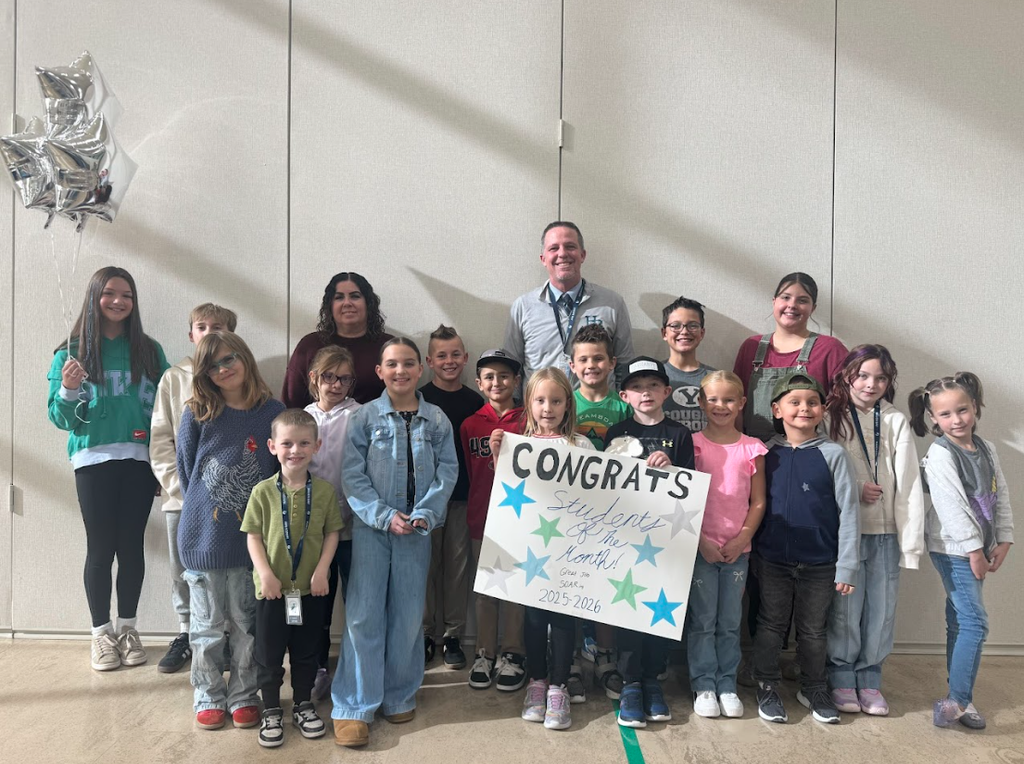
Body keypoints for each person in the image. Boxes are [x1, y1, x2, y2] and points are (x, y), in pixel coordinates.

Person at [332, 338, 458, 748]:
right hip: (373, 530)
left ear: (420, 368)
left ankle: (399, 693)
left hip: (417, 531)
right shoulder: (365, 418)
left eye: (408, 363)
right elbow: (352, 475)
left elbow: (447, 473)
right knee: (363, 615)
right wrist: (384, 516)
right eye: (391, 364)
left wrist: (424, 513)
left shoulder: (436, 420)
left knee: (407, 617)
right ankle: (354, 704)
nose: (400, 370)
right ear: (379, 372)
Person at [47, 266, 168, 672]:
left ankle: (128, 628)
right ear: (94, 296)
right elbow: (60, 418)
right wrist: (68, 386)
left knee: (131, 547)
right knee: (100, 548)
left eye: (127, 295)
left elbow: (165, 412)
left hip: (138, 460)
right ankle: (101, 634)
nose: (118, 301)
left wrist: (161, 464)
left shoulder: (150, 352)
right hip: (93, 460)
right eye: (110, 293)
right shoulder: (69, 353)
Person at [176, 332, 285, 731]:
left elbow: (277, 476)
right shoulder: (198, 412)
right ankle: (207, 694)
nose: (223, 369)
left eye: (229, 359)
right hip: (202, 538)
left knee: (246, 625)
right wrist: (206, 517)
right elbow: (188, 475)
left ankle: (243, 694)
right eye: (213, 365)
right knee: (205, 628)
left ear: (245, 358)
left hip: (251, 544)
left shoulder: (271, 411)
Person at [491, 367, 595, 731]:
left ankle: (559, 687)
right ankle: (536, 681)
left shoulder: (581, 446)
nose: (547, 407)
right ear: (529, 404)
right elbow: (507, 498)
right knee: (533, 620)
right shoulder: (516, 445)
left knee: (564, 621)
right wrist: (496, 456)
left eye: (555, 400)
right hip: (531, 551)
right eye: (540, 400)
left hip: (569, 553)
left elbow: (598, 499)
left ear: (569, 404)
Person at [752, 372, 859, 726]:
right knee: (770, 625)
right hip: (771, 560)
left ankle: (814, 687)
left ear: (823, 409)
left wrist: (847, 566)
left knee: (813, 631)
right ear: (777, 409)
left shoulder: (834, 455)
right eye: (794, 402)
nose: (804, 408)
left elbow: (849, 513)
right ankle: (767, 684)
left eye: (812, 402)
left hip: (820, 563)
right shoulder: (765, 452)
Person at [824, 346, 925, 716]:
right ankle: (841, 677)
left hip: (885, 532)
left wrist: (910, 543)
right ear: (847, 374)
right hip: (845, 532)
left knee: (881, 610)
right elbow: (821, 468)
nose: (871, 384)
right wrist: (853, 484)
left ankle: (870, 678)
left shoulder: (895, 419)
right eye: (864, 375)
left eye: (881, 378)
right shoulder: (828, 415)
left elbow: (910, 482)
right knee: (845, 611)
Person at [909, 373, 1013, 731]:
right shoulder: (939, 454)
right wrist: (973, 550)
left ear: (975, 408)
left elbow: (1001, 497)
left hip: (978, 547)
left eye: (962, 410)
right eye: (946, 414)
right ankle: (957, 700)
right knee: (975, 622)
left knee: (960, 621)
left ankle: (959, 696)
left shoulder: (986, 448)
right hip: (952, 548)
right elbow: (951, 506)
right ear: (933, 419)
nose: (956, 420)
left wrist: (1004, 538)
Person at [242, 409, 343, 747]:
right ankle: (271, 709)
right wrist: (265, 574)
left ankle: (303, 704)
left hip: (311, 592)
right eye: (287, 443)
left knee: (306, 653)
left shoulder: (326, 492)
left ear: (317, 445)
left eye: (303, 443)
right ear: (272, 446)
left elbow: (332, 534)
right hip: (271, 592)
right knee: (268, 654)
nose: (295, 450)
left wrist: (322, 570)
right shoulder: (262, 492)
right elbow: (253, 536)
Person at [604, 357, 694, 729]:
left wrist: (671, 468)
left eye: (654, 385)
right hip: (627, 540)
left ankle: (652, 681)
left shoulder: (681, 434)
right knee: (628, 609)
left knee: (661, 609)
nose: (646, 392)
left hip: (667, 540)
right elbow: (608, 488)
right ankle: (630, 684)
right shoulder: (616, 433)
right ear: (624, 394)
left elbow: (692, 488)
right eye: (638, 387)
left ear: (666, 391)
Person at [150, 302, 238, 674]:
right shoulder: (174, 378)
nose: (209, 332)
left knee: (231, 569)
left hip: (228, 500)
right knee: (184, 570)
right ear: (191, 334)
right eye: (202, 326)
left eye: (218, 326)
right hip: (182, 500)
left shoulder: (239, 377)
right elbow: (162, 438)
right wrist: (182, 490)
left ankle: (229, 635)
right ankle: (186, 632)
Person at [687, 371, 767, 719]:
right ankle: (704, 683)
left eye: (729, 400)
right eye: (714, 399)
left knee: (730, 621)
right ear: (702, 403)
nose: (721, 406)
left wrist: (743, 538)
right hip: (701, 549)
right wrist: (701, 541)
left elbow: (759, 501)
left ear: (742, 404)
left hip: (737, 551)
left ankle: (727, 683)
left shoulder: (752, 448)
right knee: (703, 619)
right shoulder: (692, 445)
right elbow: (682, 500)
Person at [568, 324, 631, 701]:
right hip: (571, 513)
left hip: (613, 515)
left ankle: (606, 658)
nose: (591, 365)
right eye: (584, 360)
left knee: (607, 587)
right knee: (573, 586)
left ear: (612, 363)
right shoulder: (564, 402)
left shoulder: (624, 406)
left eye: (598, 359)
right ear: (572, 365)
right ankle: (575, 658)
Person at [462, 349, 528, 692]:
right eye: (489, 376)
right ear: (478, 383)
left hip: (521, 521)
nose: (497, 382)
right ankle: (485, 653)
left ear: (516, 381)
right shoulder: (470, 424)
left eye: (504, 376)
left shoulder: (528, 421)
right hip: (482, 519)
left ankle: (513, 652)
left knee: (515, 589)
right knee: (486, 590)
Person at [503, 221, 634, 388]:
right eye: (553, 248)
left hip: (598, 412)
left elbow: (625, 366)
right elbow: (511, 369)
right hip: (542, 411)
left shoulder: (612, 303)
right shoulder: (523, 307)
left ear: (582, 255)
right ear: (543, 259)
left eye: (570, 246)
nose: (562, 254)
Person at [420, 325, 482, 669]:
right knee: (426, 568)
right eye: (441, 355)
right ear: (429, 361)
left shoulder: (475, 401)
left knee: (457, 569)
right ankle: (427, 635)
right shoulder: (418, 399)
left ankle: (454, 636)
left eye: (455, 354)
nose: (449, 361)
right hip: (426, 500)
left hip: (461, 498)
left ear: (466, 358)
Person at [302, 346, 362, 701]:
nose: (337, 384)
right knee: (317, 605)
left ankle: (357, 669)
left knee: (357, 603)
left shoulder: (361, 415)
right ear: (314, 378)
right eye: (329, 376)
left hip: (354, 530)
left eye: (344, 378)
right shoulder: (302, 418)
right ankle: (317, 668)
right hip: (313, 533)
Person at [733, 273, 847, 442]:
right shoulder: (751, 346)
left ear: (813, 308)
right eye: (786, 297)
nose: (792, 305)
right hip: (755, 454)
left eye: (802, 300)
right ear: (774, 302)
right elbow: (735, 405)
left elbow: (845, 407)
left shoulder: (830, 349)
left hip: (809, 452)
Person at [282, 272, 394, 407]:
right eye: (339, 297)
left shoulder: (389, 347)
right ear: (330, 306)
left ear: (368, 303)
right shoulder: (309, 345)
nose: (347, 303)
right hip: (316, 427)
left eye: (355, 296)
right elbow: (291, 403)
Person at [661, 296, 716, 432]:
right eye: (675, 326)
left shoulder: (716, 378)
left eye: (692, 325)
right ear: (664, 333)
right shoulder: (653, 375)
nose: (684, 331)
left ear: (702, 333)